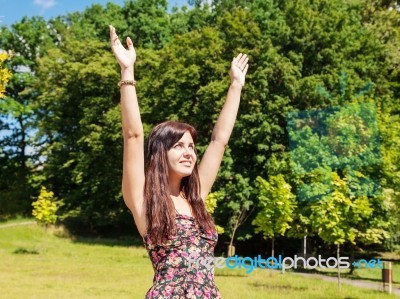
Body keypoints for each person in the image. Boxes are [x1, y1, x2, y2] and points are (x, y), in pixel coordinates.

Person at [109, 25, 249, 299]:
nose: (189, 153)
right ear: (161, 153)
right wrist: (127, 72)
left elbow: (219, 141)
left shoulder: (197, 197)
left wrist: (235, 86)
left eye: (192, 147)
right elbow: (134, 135)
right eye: (178, 146)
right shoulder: (143, 200)